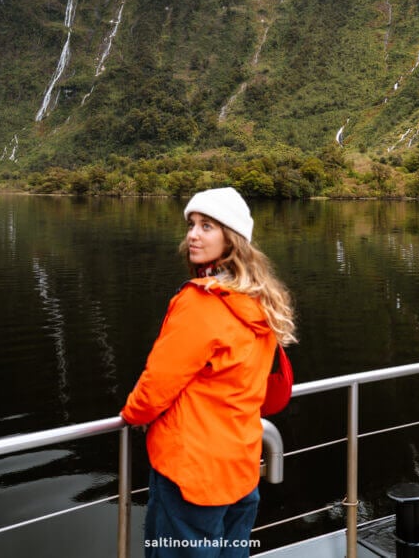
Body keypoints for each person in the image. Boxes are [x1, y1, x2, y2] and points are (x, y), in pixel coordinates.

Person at [120, 187, 296, 557]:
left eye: (207, 226)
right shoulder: (259, 302)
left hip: (191, 478)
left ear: (231, 239)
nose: (193, 235)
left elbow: (156, 386)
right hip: (241, 472)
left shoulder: (199, 303)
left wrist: (131, 415)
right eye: (191, 225)